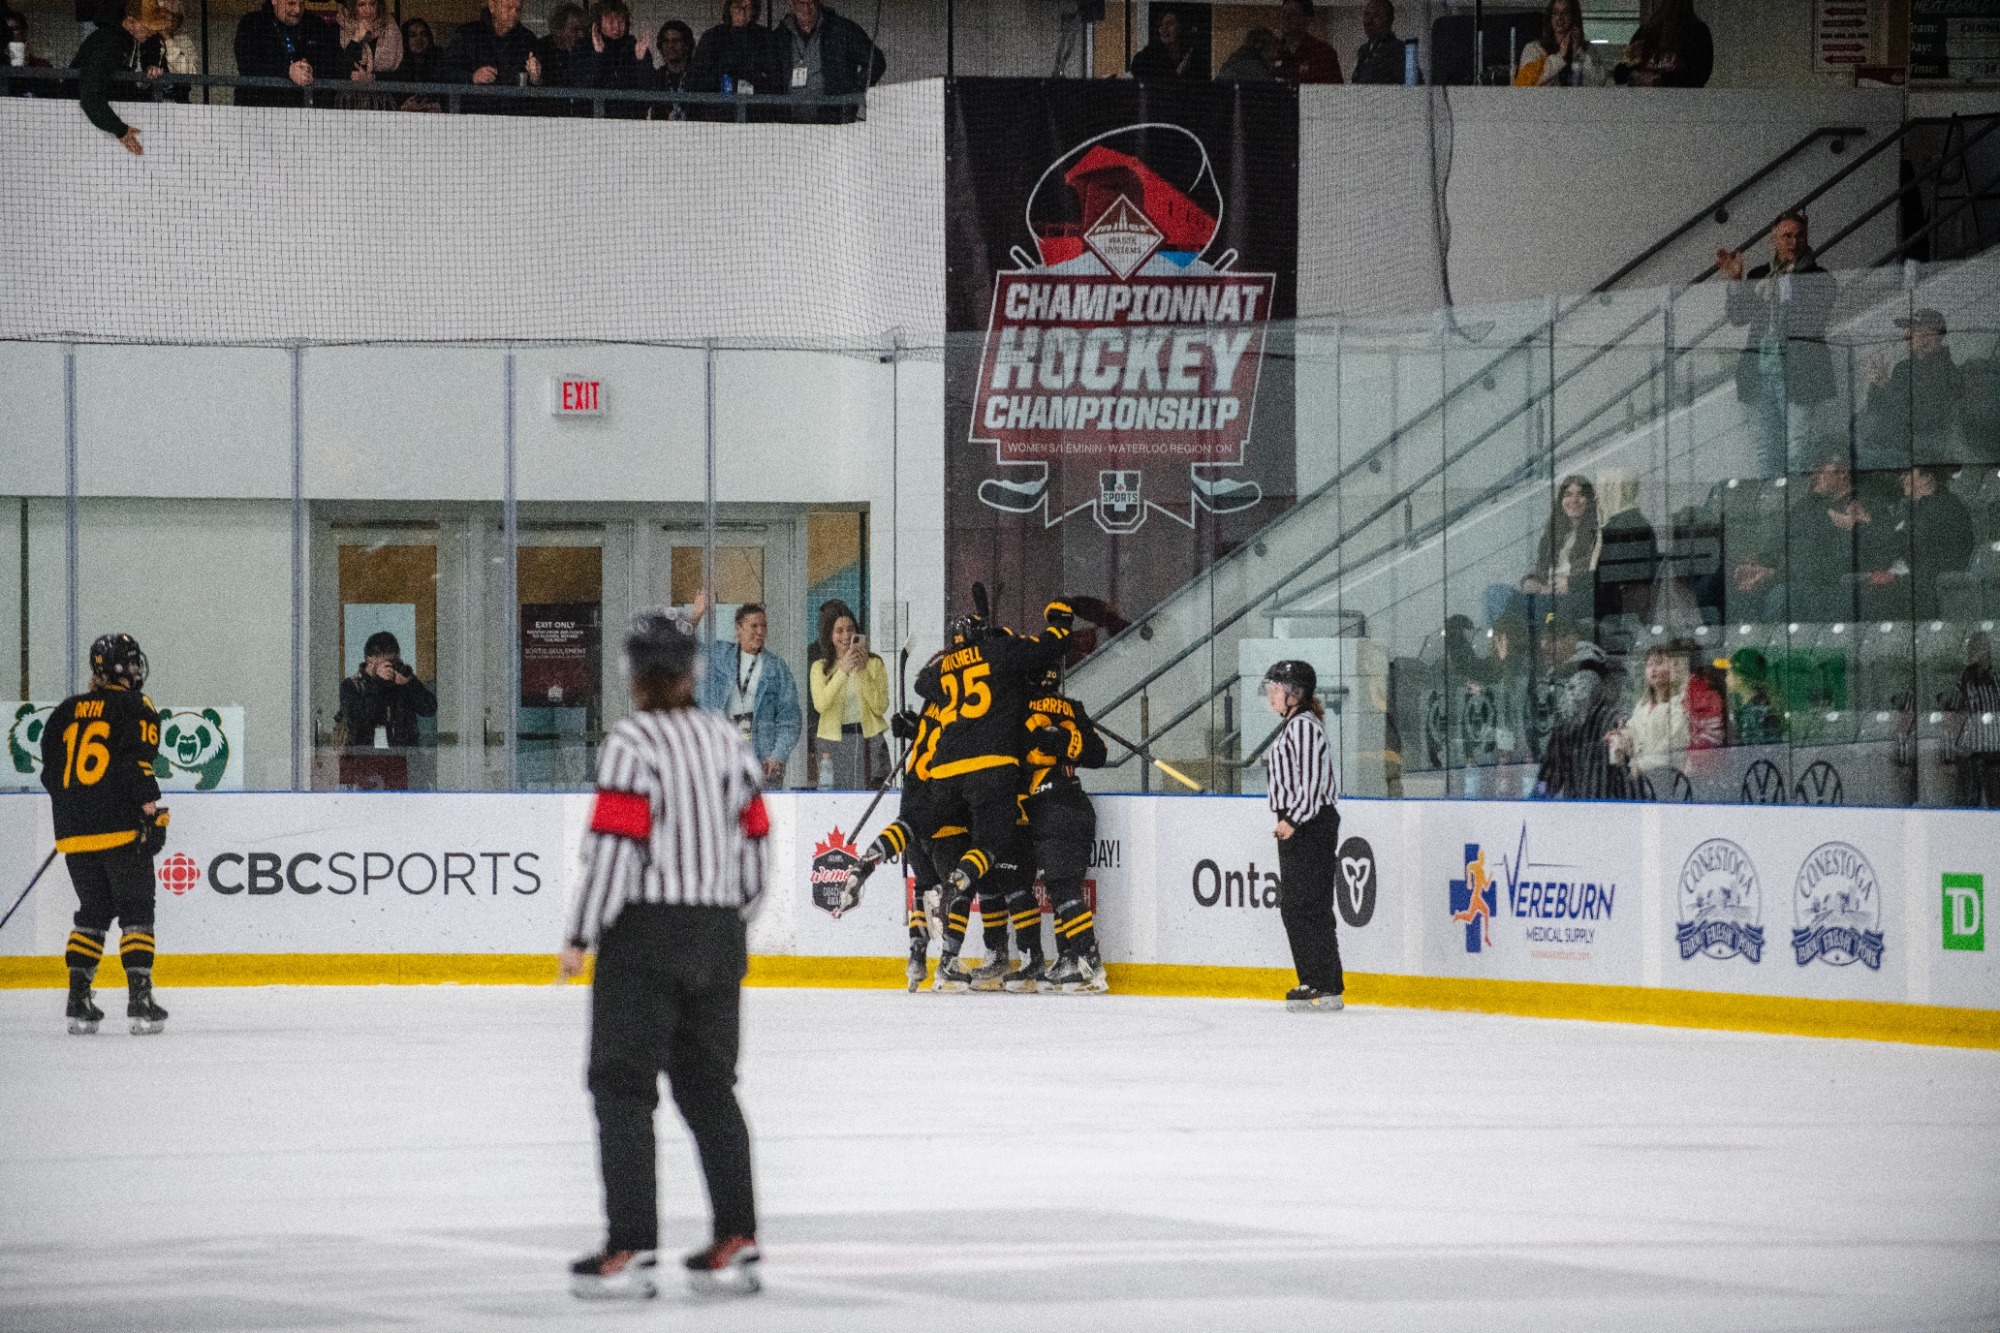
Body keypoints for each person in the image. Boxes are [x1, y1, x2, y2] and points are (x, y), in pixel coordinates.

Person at [559, 613, 768, 1300]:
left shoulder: (633, 741)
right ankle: (737, 1238)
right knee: (710, 1086)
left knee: (621, 1087)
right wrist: (734, 916)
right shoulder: (725, 739)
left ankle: (630, 1247)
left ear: (633, 673)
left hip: (644, 935)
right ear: (690, 672)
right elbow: (757, 840)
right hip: (718, 932)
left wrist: (582, 933)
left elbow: (615, 848)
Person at [914, 598, 1073, 991]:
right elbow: (1043, 648)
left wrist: (954, 652)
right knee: (990, 876)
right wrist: (1058, 625)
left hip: (975, 785)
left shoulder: (960, 672)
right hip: (991, 783)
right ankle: (999, 953)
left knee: (1006, 873)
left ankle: (1028, 956)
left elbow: (923, 681)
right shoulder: (1002, 657)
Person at [40, 633, 173, 1037]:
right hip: (119, 828)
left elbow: (50, 774)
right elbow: (137, 763)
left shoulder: (65, 710)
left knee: (92, 912)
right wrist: (149, 809)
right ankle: (139, 1001)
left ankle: (78, 1002)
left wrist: (77, 811)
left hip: (73, 833)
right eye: (131, 664)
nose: (136, 671)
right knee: (136, 910)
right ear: (118, 668)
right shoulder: (136, 706)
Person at [1719, 210, 1838, 479]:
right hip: (1760, 373)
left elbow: (1812, 320)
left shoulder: (1819, 276)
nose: (1793, 242)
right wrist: (1737, 280)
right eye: (1786, 236)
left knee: (1799, 450)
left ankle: (1797, 510)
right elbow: (1738, 317)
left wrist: (1785, 292)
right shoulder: (1761, 274)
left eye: (1799, 236)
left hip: (1798, 374)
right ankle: (1774, 508)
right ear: (1774, 239)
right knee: (1766, 451)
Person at [1260, 659, 1343, 1013]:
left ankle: (1323, 984)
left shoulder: (1304, 728)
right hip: (1302, 823)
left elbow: (1311, 783)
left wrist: (1292, 819)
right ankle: (1316, 980)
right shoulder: (1295, 726)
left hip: (1309, 824)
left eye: (1276, 688)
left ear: (1294, 693)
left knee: (1306, 905)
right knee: (1299, 906)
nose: (1270, 694)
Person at [1022, 666, 1109, 994]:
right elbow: (1099, 754)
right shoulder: (1073, 707)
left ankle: (1090, 961)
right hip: (1077, 802)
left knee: (1061, 889)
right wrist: (1069, 741)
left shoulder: (1021, 706)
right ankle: (1069, 960)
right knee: (1067, 885)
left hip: (1049, 805)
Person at [702, 603, 801, 788]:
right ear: (738, 628)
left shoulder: (776, 667)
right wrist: (697, 613)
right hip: (725, 753)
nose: (760, 631)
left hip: (762, 755)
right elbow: (684, 649)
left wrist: (778, 754)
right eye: (754, 626)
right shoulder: (720, 655)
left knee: (761, 811)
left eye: (764, 626)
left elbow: (790, 716)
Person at [1865, 464, 1976, 621]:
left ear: (1927, 476)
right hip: (1909, 580)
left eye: (1908, 473)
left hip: (1931, 587)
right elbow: (1893, 545)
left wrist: (1897, 577)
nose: (1903, 478)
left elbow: (1941, 559)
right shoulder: (1908, 509)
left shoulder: (1946, 507)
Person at [1860, 308, 1963, 471]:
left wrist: (1886, 384)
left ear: (1929, 338)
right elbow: (1877, 408)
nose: (1907, 337)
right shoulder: (1903, 367)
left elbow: (1919, 419)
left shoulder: (1947, 374)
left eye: (1916, 332)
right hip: (1880, 443)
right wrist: (1877, 384)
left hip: (1909, 453)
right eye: (1911, 332)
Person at [807, 602, 890, 789]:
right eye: (839, 631)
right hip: (833, 742)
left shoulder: (874, 663)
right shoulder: (820, 667)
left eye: (850, 629)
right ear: (829, 635)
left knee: (873, 793)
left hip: (868, 738)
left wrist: (862, 672)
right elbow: (821, 704)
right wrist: (842, 671)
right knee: (836, 795)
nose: (846, 636)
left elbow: (880, 706)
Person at [73, 0, 170, 154]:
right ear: (130, 22)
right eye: (148, 27)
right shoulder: (108, 43)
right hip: (75, 126)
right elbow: (90, 96)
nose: (152, 32)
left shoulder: (131, 38)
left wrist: (150, 65)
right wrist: (120, 130)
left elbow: (152, 44)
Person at [1535, 641, 1629, 799]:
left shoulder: (1615, 724)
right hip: (1575, 815)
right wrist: (1538, 796)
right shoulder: (1564, 730)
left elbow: (1626, 780)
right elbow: (1548, 779)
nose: (1573, 690)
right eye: (1573, 679)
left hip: (1609, 816)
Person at [335, 631, 438, 763]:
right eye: (387, 663)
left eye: (394, 662)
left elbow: (429, 709)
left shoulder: (400, 681)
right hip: (366, 762)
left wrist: (411, 684)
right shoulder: (351, 685)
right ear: (370, 660)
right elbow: (358, 718)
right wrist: (378, 683)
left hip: (403, 760)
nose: (391, 668)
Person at [774, 0, 882, 123]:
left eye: (811, 3)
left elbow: (876, 61)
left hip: (833, 122)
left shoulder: (842, 29)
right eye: (801, 3)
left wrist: (853, 94)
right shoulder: (780, 36)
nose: (806, 8)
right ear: (791, 5)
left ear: (819, 3)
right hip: (789, 126)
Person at [1519, 474, 1600, 625]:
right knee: (1495, 592)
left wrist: (1570, 583)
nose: (1573, 501)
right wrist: (1532, 581)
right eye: (1568, 495)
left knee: (1516, 606)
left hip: (1568, 601)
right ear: (1561, 501)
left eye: (1580, 495)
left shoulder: (1597, 535)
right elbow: (1541, 568)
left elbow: (1597, 576)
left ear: (1589, 500)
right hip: (1544, 595)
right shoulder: (1553, 533)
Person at [436, 0, 543, 110]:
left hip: (515, 116)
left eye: (518, 9)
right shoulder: (467, 34)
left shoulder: (527, 38)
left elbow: (541, 85)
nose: (514, 13)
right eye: (509, 8)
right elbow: (444, 71)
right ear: (492, 6)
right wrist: (473, 77)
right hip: (474, 114)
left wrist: (535, 78)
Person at [233, 0, 339, 107]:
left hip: (302, 110)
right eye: (291, 4)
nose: (297, 10)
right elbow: (247, 65)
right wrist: (287, 71)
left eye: (301, 4)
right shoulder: (251, 23)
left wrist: (310, 70)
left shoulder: (315, 24)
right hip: (257, 108)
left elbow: (332, 64)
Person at [1608, 644, 1688, 779]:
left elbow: (1673, 747)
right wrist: (1621, 737)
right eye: (1649, 665)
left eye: (1659, 663)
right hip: (1642, 780)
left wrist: (1640, 765)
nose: (1653, 669)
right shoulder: (1643, 705)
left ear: (1673, 668)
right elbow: (1633, 731)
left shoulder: (1679, 704)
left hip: (1668, 779)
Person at [689, 0, 779, 112]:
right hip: (718, 113)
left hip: (755, 113)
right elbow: (697, 80)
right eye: (737, 6)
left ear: (754, 10)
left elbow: (774, 80)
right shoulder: (712, 37)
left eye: (747, 7)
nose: (742, 11)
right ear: (729, 8)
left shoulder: (765, 38)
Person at [1944, 631, 2000, 807]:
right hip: (1971, 754)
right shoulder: (1963, 683)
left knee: (1995, 801)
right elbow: (1950, 716)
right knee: (1968, 802)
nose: (1985, 653)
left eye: (1986, 648)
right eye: (1979, 649)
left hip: (1995, 753)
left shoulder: (1996, 681)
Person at [570, 0, 650, 117]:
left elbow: (648, 89)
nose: (616, 27)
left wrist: (640, 61)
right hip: (590, 122)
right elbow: (581, 86)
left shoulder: (635, 47)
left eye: (621, 21)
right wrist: (597, 54)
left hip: (629, 123)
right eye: (611, 22)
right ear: (598, 24)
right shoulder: (583, 46)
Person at [1616, 0, 1712, 87]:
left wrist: (1657, 80)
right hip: (1645, 101)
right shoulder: (1647, 31)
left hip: (1675, 102)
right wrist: (1629, 61)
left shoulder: (1697, 32)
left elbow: (1698, 76)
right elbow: (1620, 75)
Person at [1513, 0, 1606, 86]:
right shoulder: (1534, 49)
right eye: (1555, 13)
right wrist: (1560, 57)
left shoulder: (1588, 50)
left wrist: (1578, 52)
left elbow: (1599, 83)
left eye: (1565, 13)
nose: (1560, 18)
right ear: (1550, 18)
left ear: (1573, 16)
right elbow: (1525, 84)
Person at [336, 0, 401, 107]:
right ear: (352, 7)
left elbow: (400, 73)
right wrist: (356, 39)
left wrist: (372, 78)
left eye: (372, 4)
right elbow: (336, 69)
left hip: (383, 104)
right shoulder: (339, 27)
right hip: (348, 103)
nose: (368, 10)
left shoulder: (391, 28)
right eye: (361, 5)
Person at [1272, 0, 1340, 84]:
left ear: (1307, 19)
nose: (1286, 17)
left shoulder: (1323, 52)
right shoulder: (1272, 50)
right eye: (1284, 12)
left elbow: (1335, 91)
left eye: (1293, 13)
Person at [1130, 8, 1206, 82]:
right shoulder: (1144, 59)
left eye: (1169, 24)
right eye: (1161, 25)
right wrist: (1177, 74)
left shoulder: (1195, 58)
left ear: (1181, 27)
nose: (1164, 28)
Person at [1349, 0, 1411, 84]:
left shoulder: (1401, 50)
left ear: (1389, 20)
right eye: (1367, 14)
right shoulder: (1363, 50)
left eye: (1376, 15)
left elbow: (1413, 89)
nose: (1369, 21)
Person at [536, 2, 586, 92]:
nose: (581, 35)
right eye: (575, 29)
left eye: (583, 29)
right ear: (559, 29)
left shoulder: (584, 49)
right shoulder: (541, 48)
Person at [652, 18, 694, 118]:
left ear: (686, 45)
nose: (671, 45)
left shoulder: (697, 76)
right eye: (666, 41)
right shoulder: (657, 77)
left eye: (676, 41)